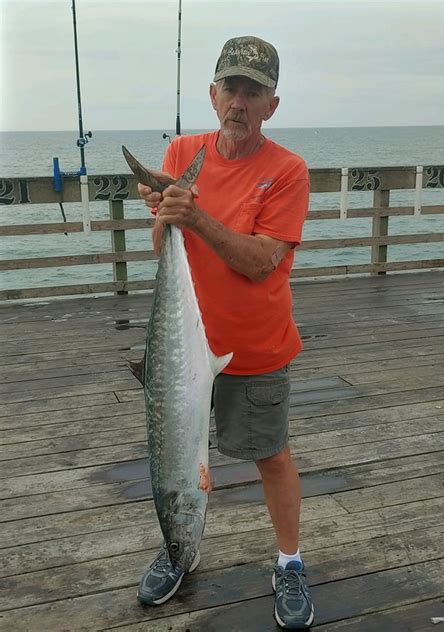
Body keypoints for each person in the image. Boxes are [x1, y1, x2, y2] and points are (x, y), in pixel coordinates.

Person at [137, 35, 315, 630]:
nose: (239, 101)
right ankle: (178, 543)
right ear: (213, 94)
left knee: (270, 455)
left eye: (253, 91)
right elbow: (164, 237)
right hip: (178, 347)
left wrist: (191, 215)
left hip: (254, 345)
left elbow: (260, 259)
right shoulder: (184, 149)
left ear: (272, 104)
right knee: (173, 459)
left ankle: (289, 562)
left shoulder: (287, 171)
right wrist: (161, 211)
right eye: (230, 88)